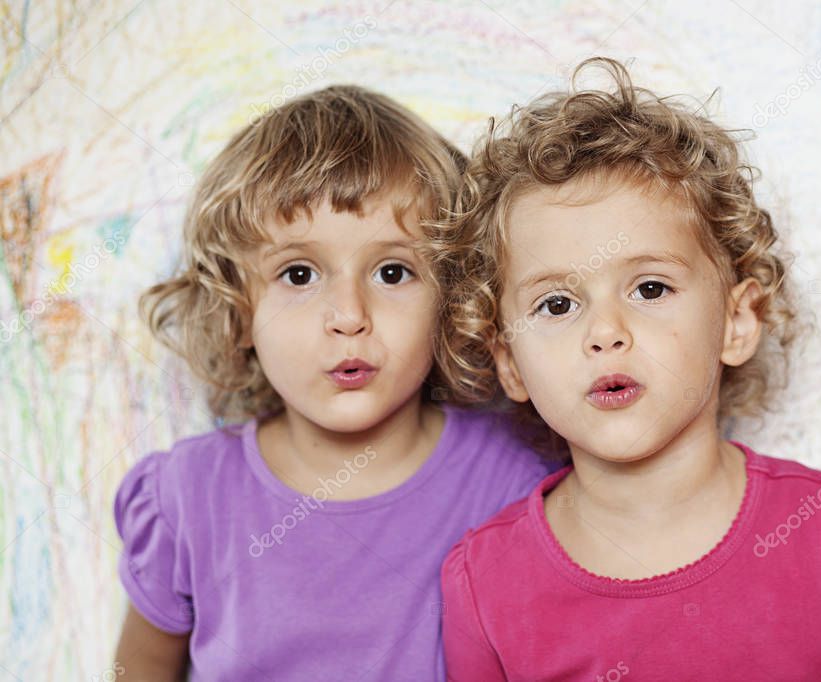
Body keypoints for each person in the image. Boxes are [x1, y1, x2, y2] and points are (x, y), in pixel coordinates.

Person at [437, 58, 821, 681]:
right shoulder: (486, 584)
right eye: (557, 304)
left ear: (737, 321)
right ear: (509, 361)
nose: (605, 333)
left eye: (648, 288)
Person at [112, 85, 549, 680]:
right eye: (298, 273)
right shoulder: (187, 499)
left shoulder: (517, 480)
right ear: (239, 311)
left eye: (392, 272)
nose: (348, 314)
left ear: (450, 298)